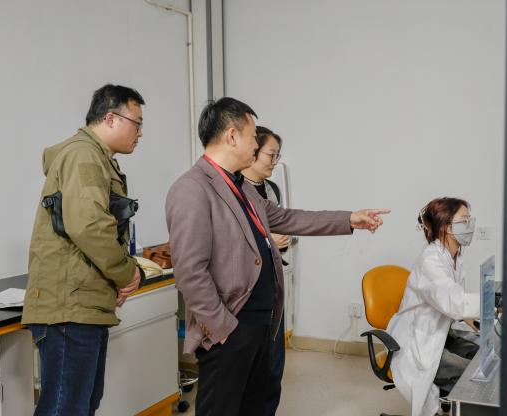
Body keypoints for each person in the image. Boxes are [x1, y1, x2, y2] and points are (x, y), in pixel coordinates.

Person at [166, 97, 389, 416]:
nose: (256, 144)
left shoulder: (242, 188)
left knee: (254, 407)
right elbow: (190, 272)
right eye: (252, 136)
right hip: (230, 330)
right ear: (232, 136)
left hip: (260, 325)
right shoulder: (192, 188)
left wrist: (350, 219)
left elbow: (289, 218)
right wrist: (223, 328)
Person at [22, 84, 145, 416]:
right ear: (111, 118)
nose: (140, 133)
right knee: (66, 407)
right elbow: (89, 226)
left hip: (82, 304)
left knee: (81, 404)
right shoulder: (84, 155)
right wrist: (127, 274)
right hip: (69, 307)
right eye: (136, 123)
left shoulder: (96, 158)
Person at [386, 197, 480, 416]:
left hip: (441, 332)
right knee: (473, 376)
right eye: (464, 220)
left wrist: (477, 321)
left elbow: (453, 300)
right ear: (447, 226)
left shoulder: (454, 257)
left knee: (481, 357)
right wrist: (492, 303)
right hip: (418, 341)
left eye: (470, 219)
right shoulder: (431, 260)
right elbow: (455, 302)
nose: (470, 225)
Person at [241, 125, 289, 416]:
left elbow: (285, 222)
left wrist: (281, 242)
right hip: (248, 292)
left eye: (277, 155)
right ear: (252, 151)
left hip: (273, 287)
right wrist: (270, 241)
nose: (275, 161)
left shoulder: (272, 189)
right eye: (271, 155)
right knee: (250, 372)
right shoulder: (234, 190)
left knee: (274, 367)